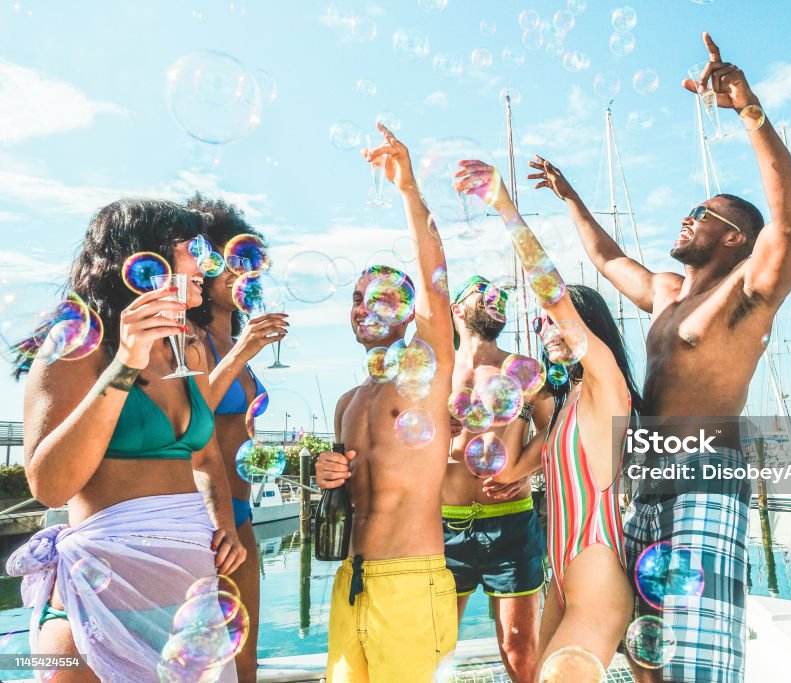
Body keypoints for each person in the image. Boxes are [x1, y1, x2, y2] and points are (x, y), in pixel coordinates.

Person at [527, 33, 791, 683]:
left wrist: (748, 110)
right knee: (646, 650)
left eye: (702, 214)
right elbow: (604, 259)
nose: (686, 219)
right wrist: (568, 194)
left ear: (736, 237)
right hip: (644, 479)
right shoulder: (662, 293)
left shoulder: (747, 294)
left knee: (698, 656)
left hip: (703, 480)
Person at [5, 199, 246, 682]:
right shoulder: (75, 347)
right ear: (146, 259)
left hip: (191, 612)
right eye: (193, 249)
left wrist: (225, 523)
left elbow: (203, 452)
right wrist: (125, 364)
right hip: (96, 608)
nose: (208, 263)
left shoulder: (188, 345)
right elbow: (49, 486)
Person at [456, 160, 644, 678]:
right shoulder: (569, 405)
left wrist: (503, 205)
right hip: (559, 575)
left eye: (555, 320)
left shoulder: (607, 383)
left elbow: (551, 291)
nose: (545, 327)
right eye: (540, 324)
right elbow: (550, 451)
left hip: (595, 574)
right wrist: (515, 472)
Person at [314, 123, 457, 683]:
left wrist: (407, 188)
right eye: (354, 298)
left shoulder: (425, 374)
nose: (360, 307)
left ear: (406, 312)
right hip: (353, 579)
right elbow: (350, 494)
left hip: (411, 579)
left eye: (376, 297)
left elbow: (435, 279)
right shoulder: (349, 402)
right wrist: (329, 475)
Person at [187, 194, 290, 682]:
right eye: (232, 262)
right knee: (200, 663)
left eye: (249, 264)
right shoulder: (188, 339)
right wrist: (245, 350)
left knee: (244, 661)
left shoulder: (236, 344)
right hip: (203, 519)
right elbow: (187, 417)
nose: (243, 273)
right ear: (205, 269)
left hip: (242, 516)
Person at [443, 275, 554, 683]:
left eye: (500, 295)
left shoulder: (521, 368)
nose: (496, 296)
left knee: (519, 646)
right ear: (457, 309)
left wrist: (521, 470)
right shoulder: (438, 369)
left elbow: (554, 429)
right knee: (437, 641)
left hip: (509, 521)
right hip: (443, 525)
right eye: (481, 291)